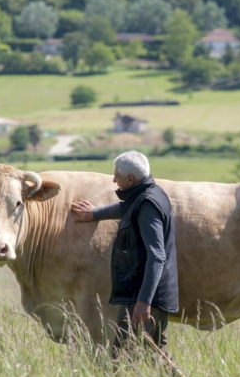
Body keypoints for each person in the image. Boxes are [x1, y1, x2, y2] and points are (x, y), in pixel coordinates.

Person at [70, 150, 179, 356]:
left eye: (117, 176)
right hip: (142, 294)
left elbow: (157, 256)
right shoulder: (148, 194)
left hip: (147, 297)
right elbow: (127, 209)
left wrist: (144, 302)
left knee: (127, 356)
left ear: (130, 178)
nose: (113, 179)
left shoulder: (147, 204)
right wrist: (94, 214)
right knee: (144, 354)